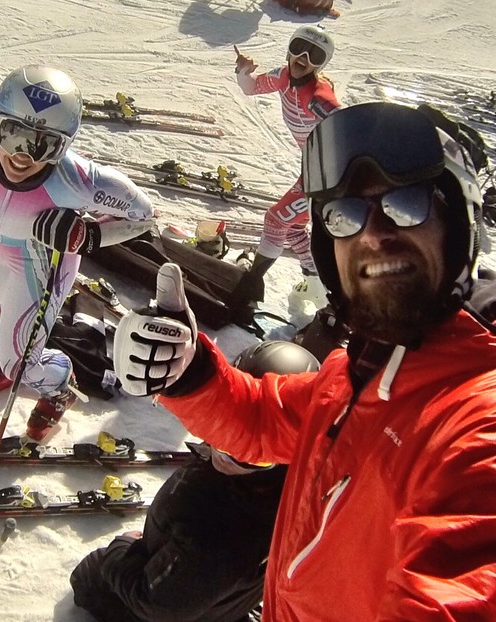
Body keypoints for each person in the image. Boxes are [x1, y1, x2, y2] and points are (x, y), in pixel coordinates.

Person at [112, 102, 496, 620]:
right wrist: (190, 372)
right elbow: (266, 417)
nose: (373, 234)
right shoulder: (360, 369)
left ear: (460, 226)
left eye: (408, 205)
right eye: (346, 215)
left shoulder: (473, 414)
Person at [0, 65, 155, 441]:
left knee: (20, 365)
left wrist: (88, 236)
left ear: (65, 145)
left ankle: (58, 384)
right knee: (2, 309)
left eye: (45, 143)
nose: (23, 154)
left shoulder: (78, 179)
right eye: (11, 133)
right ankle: (12, 353)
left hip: (41, 262)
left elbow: (142, 215)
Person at [70, 341, 321, 622]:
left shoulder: (225, 535)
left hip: (163, 600)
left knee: (87, 577)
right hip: (214, 595)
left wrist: (120, 549)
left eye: (256, 456)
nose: (226, 457)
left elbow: (156, 605)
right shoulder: (297, 488)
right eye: (227, 435)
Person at [231, 25, 340, 316]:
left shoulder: (317, 96)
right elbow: (251, 87)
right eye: (298, 48)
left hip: (329, 175)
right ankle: (316, 282)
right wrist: (243, 71)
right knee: (292, 227)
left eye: (314, 54)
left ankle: (253, 280)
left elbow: (345, 126)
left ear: (322, 63)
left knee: (276, 220)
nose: (303, 57)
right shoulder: (283, 77)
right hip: (315, 168)